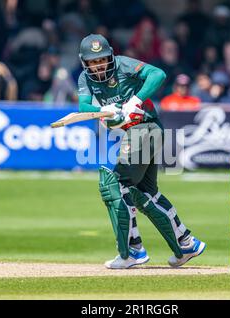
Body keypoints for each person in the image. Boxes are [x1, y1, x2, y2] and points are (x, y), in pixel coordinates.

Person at [77, 34, 206, 269]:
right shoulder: (85, 78)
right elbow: (83, 106)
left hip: (145, 127)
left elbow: (158, 74)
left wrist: (134, 101)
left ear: (110, 57)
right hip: (139, 132)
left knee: (114, 184)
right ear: (85, 63)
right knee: (146, 192)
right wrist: (106, 111)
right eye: (93, 62)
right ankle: (186, 242)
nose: (98, 66)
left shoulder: (124, 64)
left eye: (102, 60)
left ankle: (132, 251)